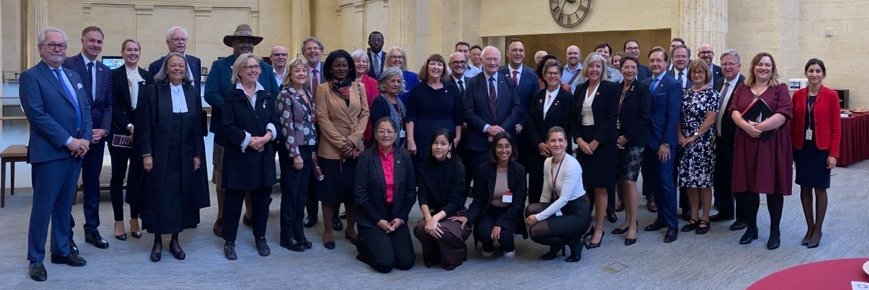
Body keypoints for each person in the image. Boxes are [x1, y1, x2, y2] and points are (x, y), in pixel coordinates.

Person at [22, 26, 92, 281]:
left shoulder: (73, 75)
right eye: (52, 45)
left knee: (64, 208)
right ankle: (35, 259)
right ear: (41, 48)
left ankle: (61, 250)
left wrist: (84, 138)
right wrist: (69, 140)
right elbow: (38, 115)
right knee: (43, 208)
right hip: (50, 154)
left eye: (61, 45)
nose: (58, 49)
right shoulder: (31, 77)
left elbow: (84, 108)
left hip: (75, 154)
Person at [204, 24, 279, 238]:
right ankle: (222, 216)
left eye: (250, 42)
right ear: (233, 44)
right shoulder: (220, 66)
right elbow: (210, 94)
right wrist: (235, 109)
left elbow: (273, 94)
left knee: (254, 176)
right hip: (228, 132)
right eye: (241, 41)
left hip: (259, 134)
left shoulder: (263, 67)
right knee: (223, 178)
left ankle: (251, 214)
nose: (246, 45)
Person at [137, 52, 209, 262]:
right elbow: (145, 128)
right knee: (159, 196)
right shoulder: (153, 92)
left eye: (181, 66)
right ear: (166, 69)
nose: (177, 69)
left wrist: (197, 154)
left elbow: (197, 126)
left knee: (180, 196)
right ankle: (158, 240)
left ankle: (175, 239)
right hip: (160, 155)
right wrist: (147, 154)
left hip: (185, 155)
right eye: (173, 65)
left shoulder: (192, 92)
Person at [730, 52, 793, 250]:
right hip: (746, 143)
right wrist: (744, 125)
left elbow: (784, 113)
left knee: (773, 189)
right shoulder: (742, 87)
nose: (763, 68)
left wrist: (759, 127)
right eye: (759, 64)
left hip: (771, 145)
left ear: (772, 68)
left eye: (767, 65)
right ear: (753, 67)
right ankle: (752, 227)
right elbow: (733, 109)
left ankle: (775, 231)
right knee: (748, 188)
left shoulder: (779, 88)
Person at [219, 53, 279, 260]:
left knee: (261, 201)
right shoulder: (231, 95)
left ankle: (260, 238)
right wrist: (250, 140)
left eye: (256, 67)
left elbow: (274, 120)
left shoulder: (266, 95)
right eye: (248, 67)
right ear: (239, 72)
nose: (253, 70)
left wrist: (266, 137)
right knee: (233, 202)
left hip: (263, 155)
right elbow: (227, 126)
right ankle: (229, 241)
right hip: (239, 157)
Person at [62, 26, 113, 251]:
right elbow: (66, 104)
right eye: (91, 41)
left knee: (92, 185)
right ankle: (67, 233)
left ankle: (92, 229)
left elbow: (109, 105)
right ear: (82, 41)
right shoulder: (67, 65)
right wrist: (78, 134)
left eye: (99, 42)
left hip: (97, 138)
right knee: (69, 187)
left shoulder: (105, 70)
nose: (95, 45)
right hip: (75, 139)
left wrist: (104, 130)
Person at [315, 49, 370, 249]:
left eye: (344, 65)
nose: (341, 68)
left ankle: (350, 229)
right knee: (329, 192)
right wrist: (341, 143)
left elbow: (365, 113)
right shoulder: (322, 89)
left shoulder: (359, 87)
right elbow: (322, 118)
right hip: (331, 147)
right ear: (330, 67)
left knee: (352, 191)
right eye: (336, 65)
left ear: (350, 67)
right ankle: (328, 230)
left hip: (355, 147)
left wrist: (353, 140)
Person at [354, 118, 417, 273]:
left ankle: (385, 243)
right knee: (386, 264)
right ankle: (364, 245)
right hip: (372, 218)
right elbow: (360, 195)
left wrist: (401, 218)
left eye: (389, 131)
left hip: (396, 217)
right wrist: (378, 220)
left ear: (396, 135)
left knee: (406, 262)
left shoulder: (404, 157)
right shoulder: (366, 158)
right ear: (375, 134)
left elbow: (410, 192)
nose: (385, 135)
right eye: (381, 131)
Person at [571, 52, 619, 249]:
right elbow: (573, 118)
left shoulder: (610, 88)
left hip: (603, 146)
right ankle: (587, 224)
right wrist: (580, 140)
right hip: (583, 144)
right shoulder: (580, 88)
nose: (594, 70)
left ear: (603, 69)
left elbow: (611, 118)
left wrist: (596, 142)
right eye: (591, 66)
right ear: (586, 68)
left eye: (598, 66)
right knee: (584, 187)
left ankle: (599, 228)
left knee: (600, 187)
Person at [791, 58, 840, 249]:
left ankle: (818, 229)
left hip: (822, 149)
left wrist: (833, 153)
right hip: (802, 148)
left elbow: (836, 127)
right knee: (804, 188)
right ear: (806, 74)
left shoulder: (831, 95)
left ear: (823, 74)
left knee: (820, 188)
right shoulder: (798, 95)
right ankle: (809, 227)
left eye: (818, 71)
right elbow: (793, 123)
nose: (814, 74)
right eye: (811, 71)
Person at [109, 39, 153, 241]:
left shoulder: (147, 76)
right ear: (122, 52)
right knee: (117, 177)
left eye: (136, 49)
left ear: (140, 53)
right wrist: (128, 126)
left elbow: (150, 106)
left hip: (141, 135)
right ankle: (118, 221)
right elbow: (113, 105)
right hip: (120, 132)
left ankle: (134, 218)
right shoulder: (114, 75)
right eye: (129, 49)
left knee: (137, 177)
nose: (132, 53)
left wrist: (141, 129)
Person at [525, 126, 590, 262]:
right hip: (561, 206)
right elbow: (546, 192)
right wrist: (540, 211)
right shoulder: (548, 162)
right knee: (530, 209)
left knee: (535, 232)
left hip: (577, 212)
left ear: (566, 143)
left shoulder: (572, 165)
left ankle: (574, 241)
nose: (557, 144)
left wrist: (539, 217)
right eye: (553, 141)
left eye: (561, 140)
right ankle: (557, 244)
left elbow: (564, 199)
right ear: (547, 143)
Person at [275, 58, 317, 252]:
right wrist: (295, 155)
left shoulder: (308, 93)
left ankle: (299, 232)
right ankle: (287, 236)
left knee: (302, 195)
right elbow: (287, 126)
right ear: (289, 75)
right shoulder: (285, 95)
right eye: (297, 71)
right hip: (293, 150)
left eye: (304, 71)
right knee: (291, 193)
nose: (301, 74)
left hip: (308, 148)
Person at [641, 46, 682, 243]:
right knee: (653, 183)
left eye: (659, 60)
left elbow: (673, 116)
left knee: (666, 184)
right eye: (652, 61)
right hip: (647, 143)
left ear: (667, 63)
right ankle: (661, 218)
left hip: (664, 144)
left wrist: (666, 142)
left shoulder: (672, 84)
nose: (655, 64)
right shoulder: (645, 83)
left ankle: (673, 225)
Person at [413, 129, 470, 270]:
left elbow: (455, 201)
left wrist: (435, 219)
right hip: (433, 213)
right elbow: (422, 196)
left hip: (455, 215)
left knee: (443, 231)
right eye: (436, 143)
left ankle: (456, 254)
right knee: (420, 229)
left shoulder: (458, 167)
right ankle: (434, 255)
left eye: (443, 143)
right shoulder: (423, 167)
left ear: (450, 146)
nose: (439, 147)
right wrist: (428, 219)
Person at [676, 59, 719, 235]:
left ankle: (705, 216)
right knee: (689, 182)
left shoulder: (712, 94)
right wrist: (680, 136)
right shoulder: (684, 93)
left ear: (706, 74)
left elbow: (710, 119)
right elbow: (678, 117)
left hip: (704, 143)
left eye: (700, 72)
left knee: (703, 182)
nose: (697, 75)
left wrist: (694, 136)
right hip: (685, 142)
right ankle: (694, 215)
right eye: (694, 72)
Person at [466, 133, 527, 257]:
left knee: (505, 236)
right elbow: (478, 200)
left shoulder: (519, 170)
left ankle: (508, 244)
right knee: (484, 233)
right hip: (489, 210)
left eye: (507, 146)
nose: (503, 150)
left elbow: (518, 204)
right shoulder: (483, 169)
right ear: (494, 149)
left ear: (512, 148)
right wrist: (467, 218)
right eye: (499, 146)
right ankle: (487, 245)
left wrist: (500, 224)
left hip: (509, 212)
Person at [611, 55, 650, 245]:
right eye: (626, 67)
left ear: (637, 70)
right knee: (621, 182)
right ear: (620, 69)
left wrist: (626, 137)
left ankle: (633, 225)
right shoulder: (616, 89)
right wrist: (616, 137)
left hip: (634, 141)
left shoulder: (642, 88)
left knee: (629, 181)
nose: (629, 70)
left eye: (633, 67)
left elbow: (644, 118)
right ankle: (626, 219)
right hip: (617, 141)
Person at [463, 46, 521, 173]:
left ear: (500, 61)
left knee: (504, 180)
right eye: (489, 59)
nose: (493, 63)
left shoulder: (509, 82)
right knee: (481, 181)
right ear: (482, 61)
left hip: (505, 142)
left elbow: (516, 109)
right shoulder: (473, 83)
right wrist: (487, 128)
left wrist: (500, 131)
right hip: (479, 142)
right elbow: (467, 111)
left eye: (495, 59)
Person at [523, 59, 574, 203]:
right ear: (544, 76)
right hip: (538, 150)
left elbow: (566, 125)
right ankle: (534, 218)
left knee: (557, 188)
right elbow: (530, 121)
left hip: (558, 150)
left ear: (561, 75)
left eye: (556, 73)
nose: (553, 76)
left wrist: (552, 145)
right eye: (549, 73)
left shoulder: (568, 98)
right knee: (536, 187)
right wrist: (539, 143)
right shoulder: (537, 95)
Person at [711, 49, 747, 231]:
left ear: (739, 66)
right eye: (724, 64)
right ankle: (725, 210)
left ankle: (743, 217)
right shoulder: (718, 83)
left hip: (737, 142)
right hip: (719, 139)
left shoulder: (745, 86)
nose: (727, 67)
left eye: (731, 64)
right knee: (721, 178)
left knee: (738, 180)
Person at [406, 54, 463, 163]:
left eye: (439, 64)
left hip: (447, 138)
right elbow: (410, 117)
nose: (436, 67)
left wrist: (457, 138)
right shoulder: (417, 90)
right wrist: (410, 140)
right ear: (427, 67)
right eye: (432, 64)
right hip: (422, 138)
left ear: (444, 69)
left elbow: (458, 116)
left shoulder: (452, 89)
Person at [147, 26, 202, 92]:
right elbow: (152, 94)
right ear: (168, 42)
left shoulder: (195, 62)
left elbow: (197, 89)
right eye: (176, 39)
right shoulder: (156, 66)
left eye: (183, 39)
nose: (180, 42)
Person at [371, 68, 408, 149]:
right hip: (384, 147)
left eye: (399, 81)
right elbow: (378, 128)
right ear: (384, 83)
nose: (396, 84)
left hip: (401, 147)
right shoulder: (379, 101)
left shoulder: (399, 101)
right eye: (392, 81)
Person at [351, 49, 380, 144]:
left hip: (366, 126)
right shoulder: (345, 81)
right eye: (357, 61)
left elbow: (374, 106)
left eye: (364, 61)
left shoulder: (373, 82)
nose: (361, 64)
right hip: (348, 125)